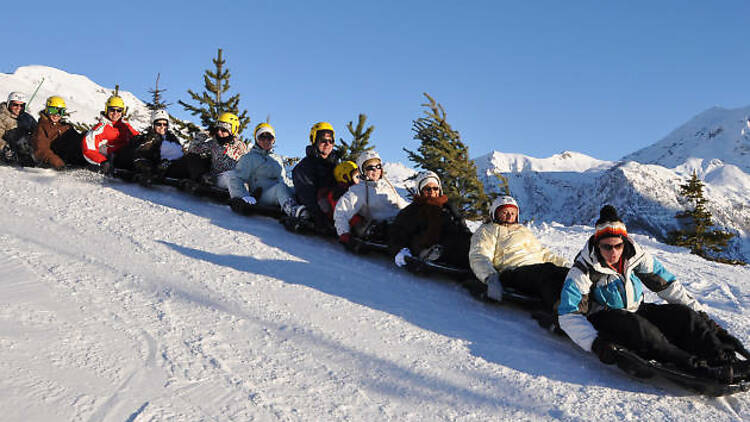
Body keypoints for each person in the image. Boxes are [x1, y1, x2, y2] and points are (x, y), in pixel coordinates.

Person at [558, 205, 748, 382]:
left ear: (624, 242)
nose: (613, 252)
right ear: (598, 244)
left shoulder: (634, 256)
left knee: (683, 316)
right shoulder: (584, 269)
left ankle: (722, 359)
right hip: (605, 317)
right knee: (645, 331)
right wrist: (595, 343)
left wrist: (704, 318)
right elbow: (568, 315)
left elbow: (668, 285)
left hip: (636, 309)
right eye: (607, 246)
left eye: (618, 245)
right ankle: (699, 369)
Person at [468, 195, 569, 310]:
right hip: (513, 272)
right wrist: (490, 277)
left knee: (566, 274)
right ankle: (562, 311)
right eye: (505, 212)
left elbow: (544, 253)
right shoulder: (488, 230)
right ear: (494, 213)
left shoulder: (522, 230)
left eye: (513, 212)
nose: (509, 215)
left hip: (536, 270)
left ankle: (585, 306)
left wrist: (567, 266)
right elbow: (479, 255)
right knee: (547, 272)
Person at [389, 171, 472, 270]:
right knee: (452, 248)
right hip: (424, 244)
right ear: (420, 190)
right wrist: (400, 251)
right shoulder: (412, 210)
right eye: (427, 189)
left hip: (448, 240)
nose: (432, 191)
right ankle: (429, 254)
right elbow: (398, 232)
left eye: (435, 188)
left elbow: (461, 224)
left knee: (469, 241)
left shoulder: (448, 206)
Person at [228, 122, 306, 218]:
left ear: (273, 140)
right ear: (256, 139)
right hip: (262, 195)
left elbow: (283, 180)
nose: (266, 141)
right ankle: (293, 210)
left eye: (269, 138)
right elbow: (236, 178)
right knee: (280, 188)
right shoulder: (250, 158)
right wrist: (242, 196)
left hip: (279, 192)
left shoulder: (276, 159)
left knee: (298, 189)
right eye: (262, 137)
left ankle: (312, 210)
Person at [334, 150, 408, 247]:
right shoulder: (358, 190)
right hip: (384, 229)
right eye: (370, 168)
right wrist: (344, 233)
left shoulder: (387, 187)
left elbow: (403, 205)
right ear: (362, 171)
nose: (376, 170)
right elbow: (341, 212)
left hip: (401, 220)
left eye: (378, 166)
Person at [119, 109, 190, 182]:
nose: (162, 127)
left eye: (165, 124)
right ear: (153, 125)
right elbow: (141, 155)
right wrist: (153, 167)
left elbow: (180, 153)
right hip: (154, 167)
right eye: (159, 124)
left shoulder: (171, 137)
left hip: (172, 166)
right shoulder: (149, 138)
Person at [292, 122, 339, 232]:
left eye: (330, 140)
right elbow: (306, 194)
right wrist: (319, 218)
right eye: (323, 140)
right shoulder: (305, 166)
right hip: (320, 211)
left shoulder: (336, 166)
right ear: (314, 141)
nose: (327, 144)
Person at [185, 112, 247, 189]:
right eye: (217, 129)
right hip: (213, 178)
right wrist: (206, 133)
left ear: (232, 130)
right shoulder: (214, 143)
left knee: (232, 176)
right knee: (192, 157)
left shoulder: (239, 146)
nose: (219, 132)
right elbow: (192, 150)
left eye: (223, 130)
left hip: (230, 179)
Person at [81, 95, 139, 171]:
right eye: (112, 110)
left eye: (119, 110)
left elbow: (138, 138)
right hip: (110, 162)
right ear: (106, 110)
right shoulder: (100, 129)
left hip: (127, 157)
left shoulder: (125, 126)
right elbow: (88, 149)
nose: (115, 113)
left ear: (122, 112)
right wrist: (102, 161)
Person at [31, 96, 85, 169]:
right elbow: (41, 150)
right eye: (52, 111)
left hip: (73, 159)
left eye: (61, 112)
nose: (56, 115)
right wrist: (57, 162)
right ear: (47, 110)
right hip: (56, 163)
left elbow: (78, 140)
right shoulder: (42, 127)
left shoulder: (65, 126)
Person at [0, 91, 37, 166]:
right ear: (8, 104)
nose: (18, 108)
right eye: (15, 105)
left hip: (25, 150)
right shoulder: (2, 116)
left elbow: (38, 130)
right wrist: (4, 147)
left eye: (22, 105)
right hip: (7, 151)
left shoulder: (27, 117)